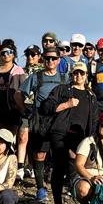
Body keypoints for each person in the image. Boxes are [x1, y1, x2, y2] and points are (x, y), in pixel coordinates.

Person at [44, 63, 99, 204]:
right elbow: (46, 107)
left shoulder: (91, 96)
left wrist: (91, 141)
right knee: (60, 167)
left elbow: (94, 121)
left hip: (81, 137)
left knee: (76, 168)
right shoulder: (62, 89)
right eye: (76, 73)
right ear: (71, 75)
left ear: (86, 76)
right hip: (60, 134)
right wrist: (66, 104)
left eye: (82, 73)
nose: (78, 76)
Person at [21, 48, 67, 189]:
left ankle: (55, 182)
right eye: (47, 58)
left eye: (54, 58)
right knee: (40, 153)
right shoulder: (36, 77)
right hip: (41, 119)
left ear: (59, 60)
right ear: (43, 60)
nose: (51, 61)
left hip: (59, 119)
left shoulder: (65, 78)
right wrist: (25, 110)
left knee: (59, 153)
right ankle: (40, 187)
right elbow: (20, 93)